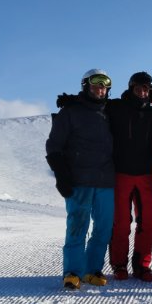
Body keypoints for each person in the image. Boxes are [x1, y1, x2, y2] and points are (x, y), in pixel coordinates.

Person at [45, 69, 116, 290]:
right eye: (95, 84)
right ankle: (72, 272)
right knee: (77, 225)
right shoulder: (70, 112)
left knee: (103, 227)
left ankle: (92, 270)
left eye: (104, 85)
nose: (100, 89)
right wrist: (61, 175)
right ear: (85, 85)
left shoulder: (111, 111)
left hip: (106, 180)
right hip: (79, 179)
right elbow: (54, 145)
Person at [104, 71, 152, 282]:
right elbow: (94, 102)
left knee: (148, 222)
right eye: (138, 88)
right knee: (121, 223)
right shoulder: (116, 107)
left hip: (146, 174)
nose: (141, 92)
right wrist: (73, 101)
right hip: (121, 174)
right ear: (131, 88)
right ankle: (119, 264)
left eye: (146, 89)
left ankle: (142, 265)